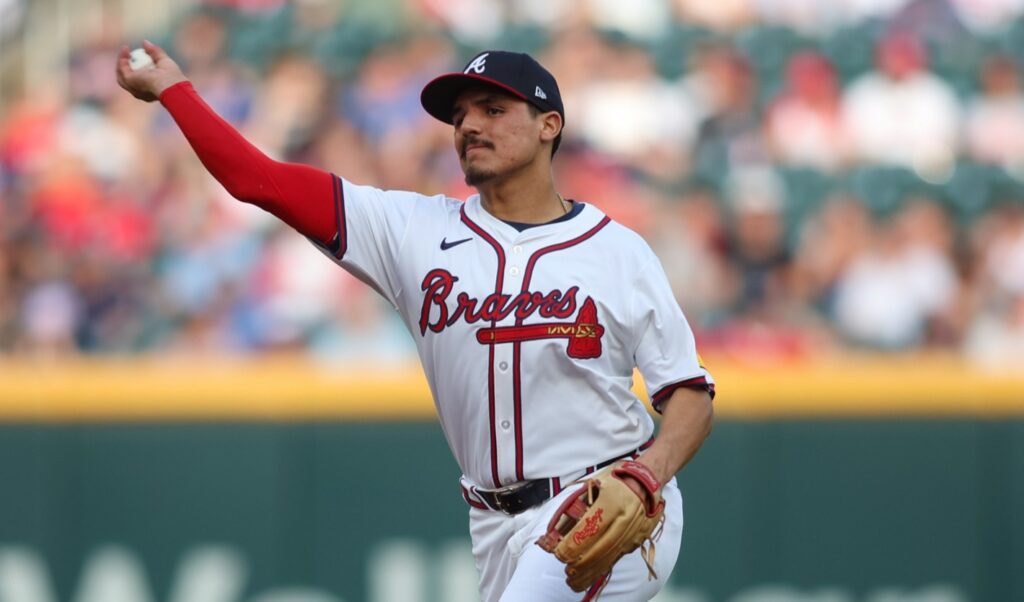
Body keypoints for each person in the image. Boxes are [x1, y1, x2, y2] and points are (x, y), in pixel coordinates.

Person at [116, 41, 715, 602]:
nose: (469, 126)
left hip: (607, 501)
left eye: (492, 108)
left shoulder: (618, 251)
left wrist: (644, 476)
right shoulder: (412, 232)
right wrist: (174, 89)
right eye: (459, 115)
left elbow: (688, 393)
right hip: (493, 523)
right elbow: (259, 181)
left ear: (548, 125)